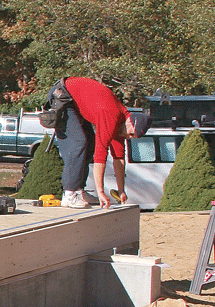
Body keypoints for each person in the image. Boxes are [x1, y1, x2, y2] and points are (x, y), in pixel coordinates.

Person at [50, 77, 151, 208]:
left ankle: (80, 191)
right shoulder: (112, 116)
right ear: (130, 122)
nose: (129, 137)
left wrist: (121, 190)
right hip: (63, 95)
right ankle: (69, 194)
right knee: (79, 143)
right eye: (131, 134)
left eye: (132, 137)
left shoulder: (121, 126)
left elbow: (119, 159)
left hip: (75, 101)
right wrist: (101, 192)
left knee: (89, 144)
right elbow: (100, 157)